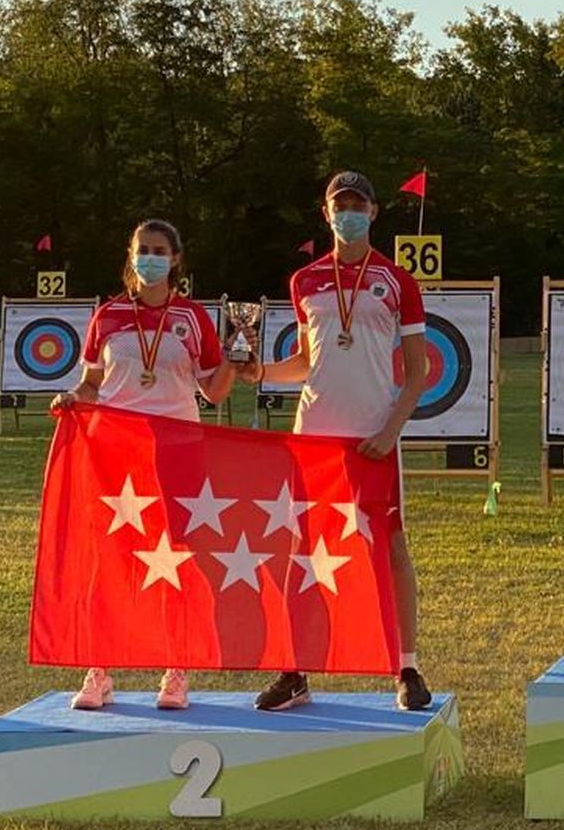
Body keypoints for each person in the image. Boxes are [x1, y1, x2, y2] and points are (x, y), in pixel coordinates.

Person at [239, 172, 432, 711]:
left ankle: (407, 666)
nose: (347, 212)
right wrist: (260, 373)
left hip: (373, 438)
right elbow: (306, 362)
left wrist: (390, 429)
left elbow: (416, 372)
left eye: (357, 204)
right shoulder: (304, 281)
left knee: (391, 550)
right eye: (338, 204)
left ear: (373, 212)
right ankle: (294, 669)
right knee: (301, 552)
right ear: (325, 214)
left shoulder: (397, 282)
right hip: (315, 439)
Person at [53, 219, 240, 710]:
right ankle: (100, 670)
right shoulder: (108, 316)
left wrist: (238, 357)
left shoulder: (193, 318)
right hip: (116, 454)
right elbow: (92, 384)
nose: (150, 258)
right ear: (131, 254)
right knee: (109, 561)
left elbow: (213, 390)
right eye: (143, 250)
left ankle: (175, 670)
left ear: (175, 259)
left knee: (177, 560)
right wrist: (73, 397)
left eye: (159, 250)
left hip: (178, 453)